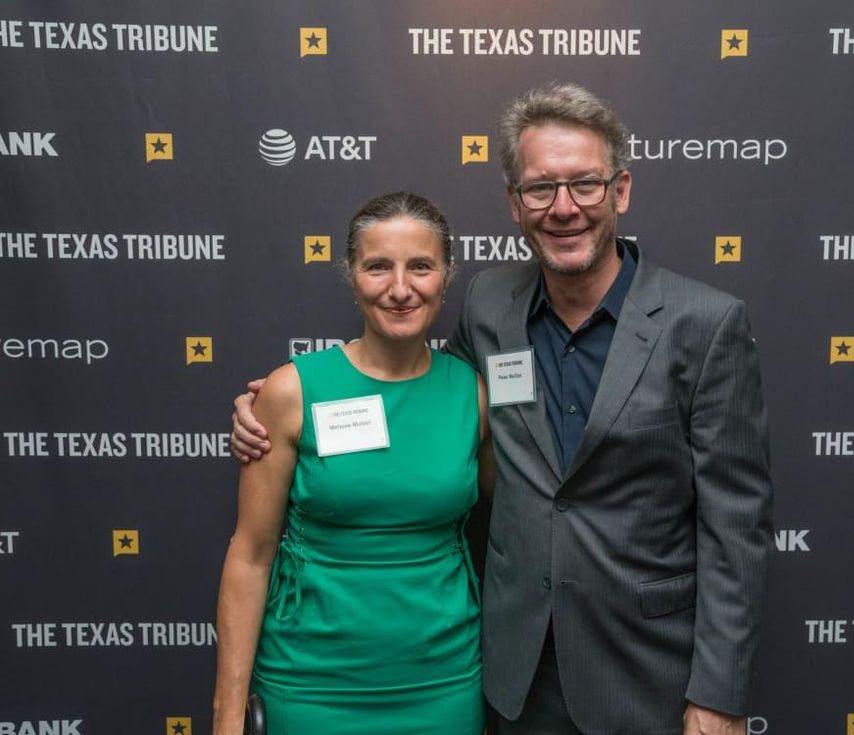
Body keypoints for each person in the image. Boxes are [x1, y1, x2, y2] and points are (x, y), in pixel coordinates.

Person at [233, 83, 774, 735]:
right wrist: (274, 408)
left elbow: (735, 526)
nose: (564, 208)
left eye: (585, 184)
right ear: (515, 204)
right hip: (514, 676)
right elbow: (422, 401)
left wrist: (719, 694)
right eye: (541, 188)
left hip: (645, 675)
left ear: (621, 190)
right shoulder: (490, 308)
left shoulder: (705, 322)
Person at [213, 192, 492, 735]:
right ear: (351, 274)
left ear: (446, 275)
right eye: (377, 267)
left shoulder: (472, 394)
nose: (400, 288)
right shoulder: (293, 390)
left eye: (421, 267)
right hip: (311, 682)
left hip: (442, 681)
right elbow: (250, 556)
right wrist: (226, 716)